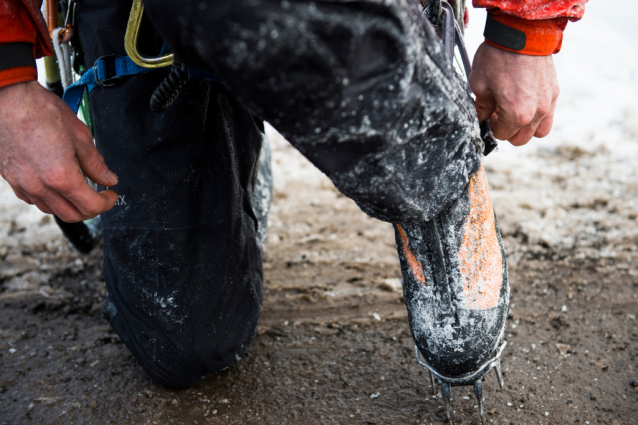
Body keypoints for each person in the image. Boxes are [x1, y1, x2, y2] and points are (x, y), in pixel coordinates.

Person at [0, 0, 585, 408]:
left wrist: (522, 27)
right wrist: (7, 80)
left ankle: (434, 173)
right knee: (182, 338)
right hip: (146, 16)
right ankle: (231, 136)